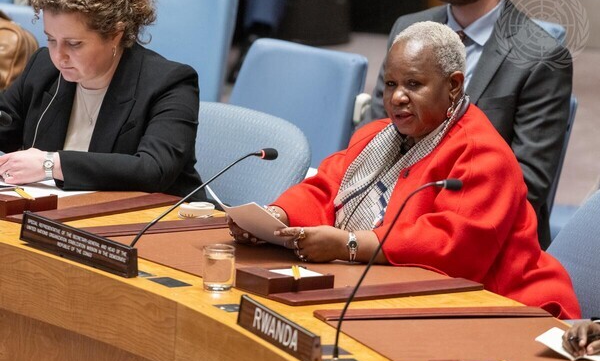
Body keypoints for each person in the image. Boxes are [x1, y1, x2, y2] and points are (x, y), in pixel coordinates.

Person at [229, 21, 579, 319]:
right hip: (406, 295)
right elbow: (325, 188)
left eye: (413, 84)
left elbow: (450, 248)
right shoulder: (377, 135)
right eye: (391, 84)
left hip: (511, 307)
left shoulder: (481, 154)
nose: (397, 97)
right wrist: (275, 219)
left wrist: (350, 244)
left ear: (453, 86)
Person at [359, 0, 573, 250]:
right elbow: (375, 133)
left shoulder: (542, 57)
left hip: (479, 235)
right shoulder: (409, 28)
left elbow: (526, 184)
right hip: (389, 214)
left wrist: (421, 227)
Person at [0, 0, 204, 199]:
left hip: (151, 214)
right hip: (58, 212)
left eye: (74, 44)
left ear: (115, 34)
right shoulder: (43, 67)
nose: (59, 56)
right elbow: (4, 124)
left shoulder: (169, 83)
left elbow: (153, 169)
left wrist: (50, 164)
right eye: (51, 39)